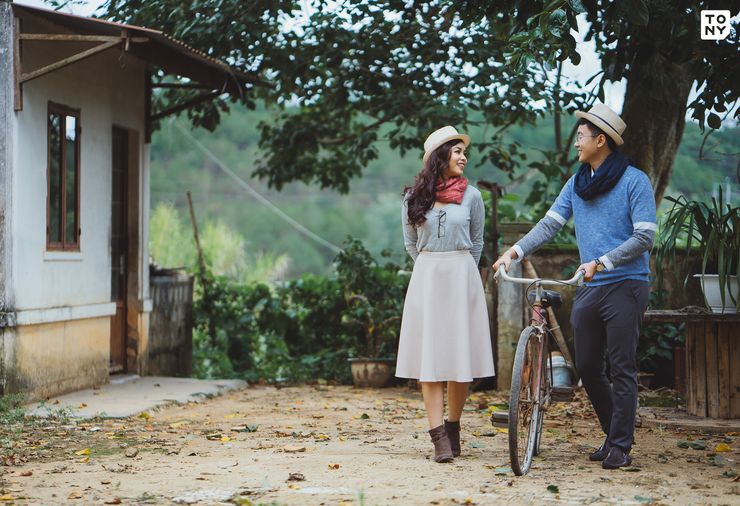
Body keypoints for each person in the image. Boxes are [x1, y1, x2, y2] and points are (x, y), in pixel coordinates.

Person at [493, 104, 656, 470]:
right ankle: (612, 434)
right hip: (590, 287)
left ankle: (620, 445)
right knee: (587, 364)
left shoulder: (635, 181)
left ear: (601, 140)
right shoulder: (577, 183)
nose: (576, 143)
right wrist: (513, 253)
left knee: (622, 366)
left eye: (581, 137)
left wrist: (602, 261)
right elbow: (549, 225)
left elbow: (644, 236)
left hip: (626, 283)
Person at [396, 126, 496, 463]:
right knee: (430, 358)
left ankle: (453, 427)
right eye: (457, 152)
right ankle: (438, 436)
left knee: (458, 356)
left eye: (464, 152)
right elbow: (411, 244)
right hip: (427, 277)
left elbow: (477, 241)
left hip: (462, 275)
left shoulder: (473, 196)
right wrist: (432, 268)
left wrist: (461, 270)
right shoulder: (413, 198)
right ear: (440, 157)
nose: (464, 157)